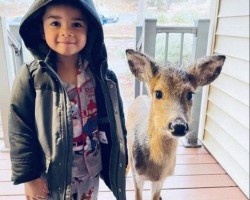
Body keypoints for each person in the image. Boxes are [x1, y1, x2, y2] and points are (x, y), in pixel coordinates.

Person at [8, 0, 128, 199]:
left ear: (90, 30)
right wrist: (29, 177)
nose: (66, 32)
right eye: (55, 23)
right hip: (49, 176)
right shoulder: (32, 77)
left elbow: (117, 121)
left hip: (90, 171)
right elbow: (20, 129)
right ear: (41, 29)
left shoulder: (102, 77)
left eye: (76, 24)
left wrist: (121, 157)